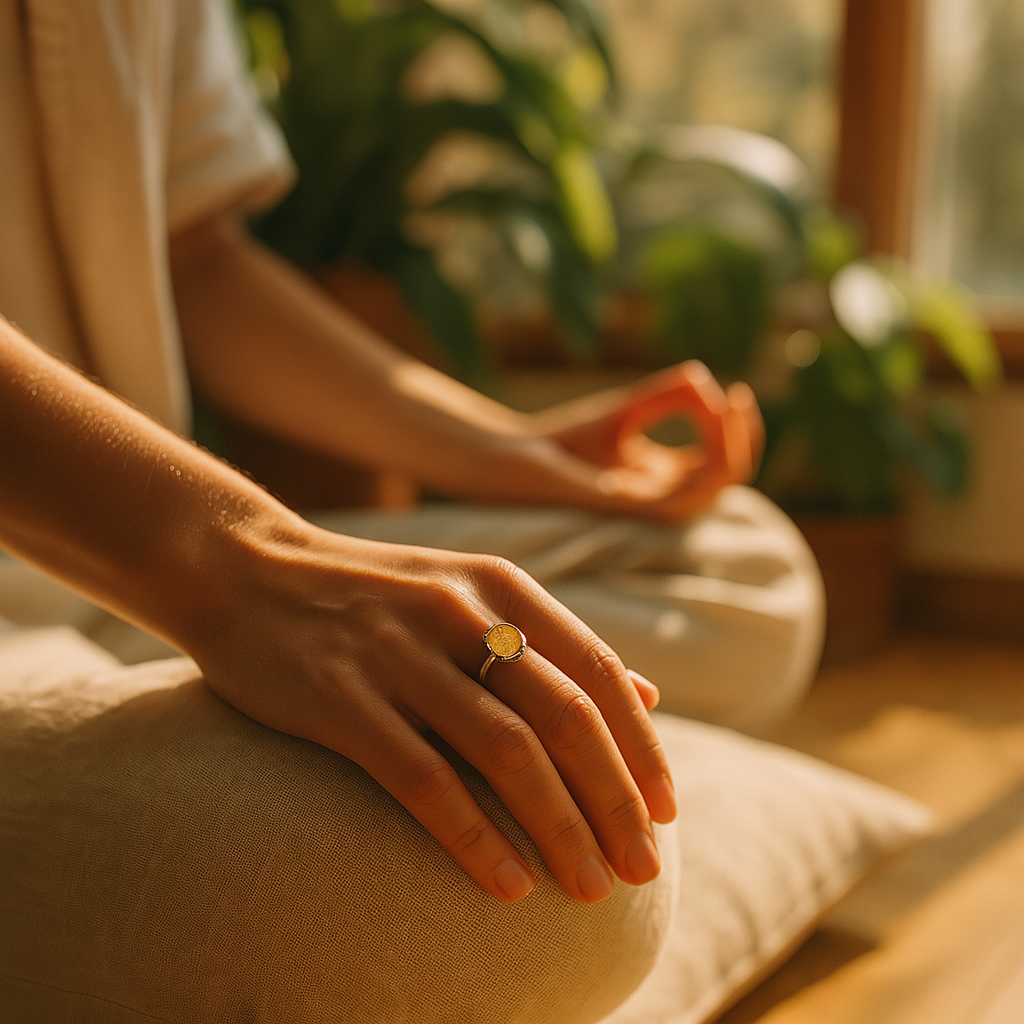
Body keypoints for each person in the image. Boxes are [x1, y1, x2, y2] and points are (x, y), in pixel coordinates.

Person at [0, 0, 822, 918]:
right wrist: (233, 567)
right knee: (534, 914)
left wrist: (510, 450)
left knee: (747, 567)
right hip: (105, 590)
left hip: (145, 589)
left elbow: (195, 256)